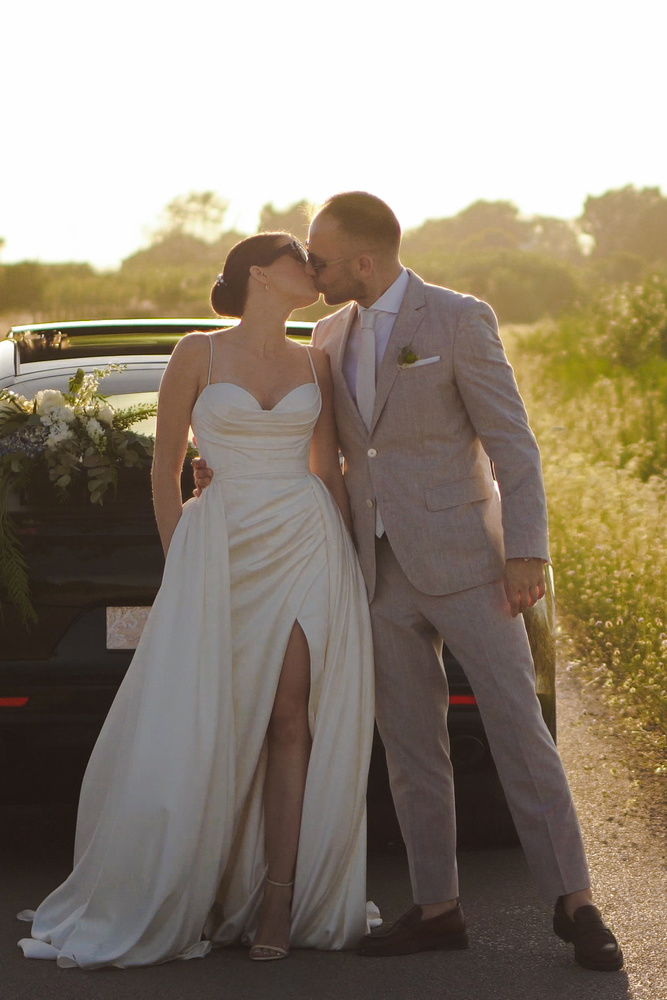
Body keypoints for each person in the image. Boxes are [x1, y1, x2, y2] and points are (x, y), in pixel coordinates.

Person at [194, 193, 623, 972]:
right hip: (376, 571)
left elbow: (512, 444)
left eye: (320, 258)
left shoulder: (458, 319)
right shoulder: (326, 334)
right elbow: (320, 450)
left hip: (470, 565)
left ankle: (576, 902)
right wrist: (217, 467)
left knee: (518, 730)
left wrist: (526, 551)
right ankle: (436, 907)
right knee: (410, 746)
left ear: (364, 259)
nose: (311, 269)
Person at [18, 232, 375, 968]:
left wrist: (354, 562)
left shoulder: (316, 359)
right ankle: (200, 882)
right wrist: (178, 545)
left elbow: (328, 470)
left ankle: (277, 894)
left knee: (290, 718)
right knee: (209, 715)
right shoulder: (196, 352)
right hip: (219, 547)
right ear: (257, 274)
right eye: (296, 259)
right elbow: (165, 463)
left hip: (306, 541)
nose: (310, 269)